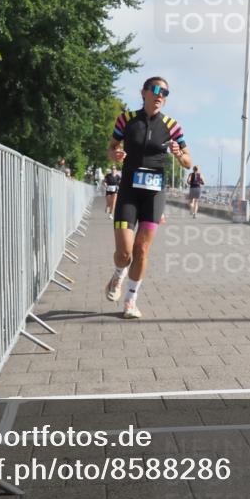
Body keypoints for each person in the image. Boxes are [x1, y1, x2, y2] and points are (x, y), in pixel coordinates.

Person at [104, 76, 192, 319]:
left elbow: (188, 162)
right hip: (129, 193)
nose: (160, 94)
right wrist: (116, 155)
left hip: (154, 194)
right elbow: (111, 147)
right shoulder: (126, 120)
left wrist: (178, 154)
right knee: (124, 252)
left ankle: (131, 301)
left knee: (141, 249)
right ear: (143, 93)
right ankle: (118, 275)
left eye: (165, 91)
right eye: (155, 89)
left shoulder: (172, 126)